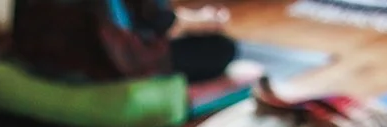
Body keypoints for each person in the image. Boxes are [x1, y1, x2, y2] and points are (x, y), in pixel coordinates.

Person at [12, 0, 240, 85]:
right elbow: (156, 19)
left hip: (33, 51)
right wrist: (197, 21)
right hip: (105, 57)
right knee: (222, 48)